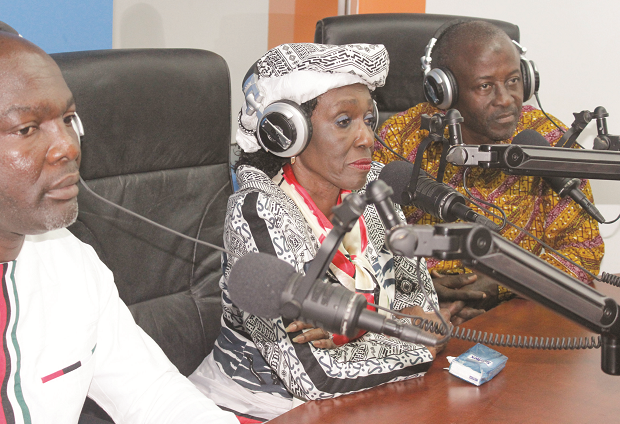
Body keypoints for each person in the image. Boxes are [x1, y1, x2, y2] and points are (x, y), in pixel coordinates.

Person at [0, 17, 236, 424]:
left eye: (68, 119)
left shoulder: (69, 262)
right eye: (27, 128)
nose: (67, 147)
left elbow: (156, 397)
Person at [188, 43, 446, 422]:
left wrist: (355, 335)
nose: (367, 139)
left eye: (368, 120)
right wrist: (413, 339)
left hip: (364, 402)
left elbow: (427, 310)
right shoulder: (257, 215)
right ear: (288, 133)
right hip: (256, 410)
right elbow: (315, 376)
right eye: (344, 122)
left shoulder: (375, 190)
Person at [373, 20, 604, 325]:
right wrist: (419, 286)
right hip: (420, 320)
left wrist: (505, 285)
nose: (506, 98)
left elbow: (583, 252)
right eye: (485, 86)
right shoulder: (397, 142)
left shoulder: (547, 141)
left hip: (522, 320)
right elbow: (363, 247)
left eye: (513, 80)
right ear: (445, 92)